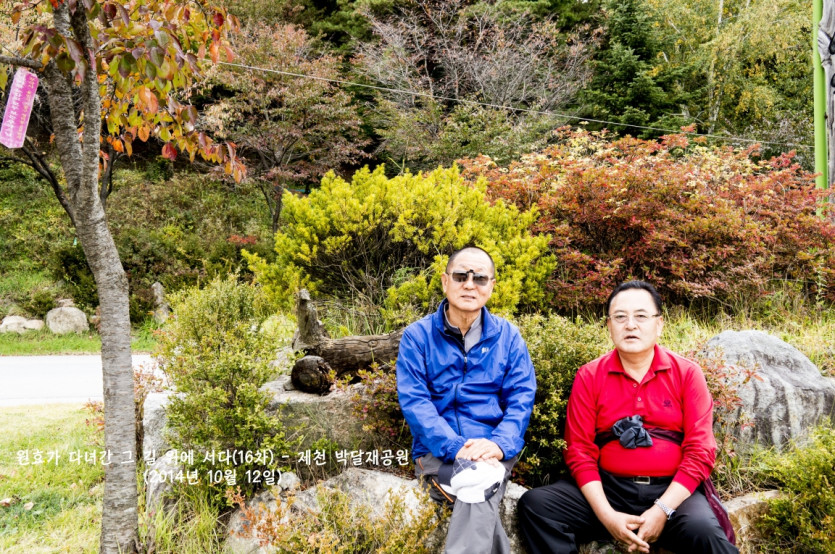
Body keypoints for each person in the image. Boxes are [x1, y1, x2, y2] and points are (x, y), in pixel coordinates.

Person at [518, 280, 738, 554]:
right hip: (608, 490)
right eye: (620, 317)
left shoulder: (687, 374)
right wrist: (607, 516)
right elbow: (579, 451)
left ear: (659, 324)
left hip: (673, 495)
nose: (630, 325)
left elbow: (700, 451)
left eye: (641, 316)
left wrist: (662, 510)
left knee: (703, 531)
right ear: (609, 325)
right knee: (537, 505)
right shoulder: (589, 376)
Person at [396, 246, 537, 554]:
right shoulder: (417, 337)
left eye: (480, 278)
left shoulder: (508, 337)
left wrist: (499, 444)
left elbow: (521, 398)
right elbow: (415, 402)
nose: (470, 285)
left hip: (492, 450)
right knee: (478, 484)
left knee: (477, 480)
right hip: (438, 453)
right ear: (445, 281)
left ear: (491, 286)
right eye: (461, 276)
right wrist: (454, 446)